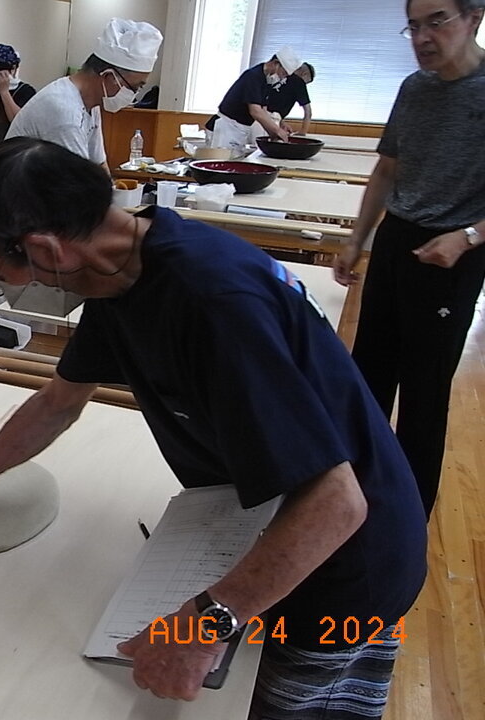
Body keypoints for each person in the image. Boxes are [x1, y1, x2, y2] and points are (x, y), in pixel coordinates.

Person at [0, 137, 427, 719]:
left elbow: (338, 504)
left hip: (348, 565)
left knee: (278, 704)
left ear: (45, 248)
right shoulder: (125, 270)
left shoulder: (212, 302)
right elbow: (57, 405)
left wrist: (206, 624)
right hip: (274, 525)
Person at [334, 0, 485, 520]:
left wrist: (466, 237)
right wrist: (358, 239)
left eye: (436, 21)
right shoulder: (413, 89)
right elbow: (386, 170)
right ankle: (353, 494)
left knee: (424, 390)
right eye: (414, 26)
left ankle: (409, 513)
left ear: (474, 18)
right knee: (368, 373)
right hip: (398, 240)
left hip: (453, 256)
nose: (422, 36)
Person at [5, 17, 163, 171]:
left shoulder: (91, 104)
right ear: (108, 77)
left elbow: (99, 164)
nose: (133, 95)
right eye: (133, 87)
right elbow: (79, 184)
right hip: (17, 194)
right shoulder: (65, 112)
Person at [208, 47, 302, 155]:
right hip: (226, 128)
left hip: (238, 130)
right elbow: (255, 111)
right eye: (283, 73)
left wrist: (279, 126)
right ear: (276, 63)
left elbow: (263, 111)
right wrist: (277, 131)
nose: (283, 78)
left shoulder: (266, 81)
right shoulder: (253, 76)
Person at [265, 62, 315, 136]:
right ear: (304, 74)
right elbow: (308, 112)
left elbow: (273, 103)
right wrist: (302, 132)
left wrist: (281, 122)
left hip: (261, 115)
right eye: (307, 82)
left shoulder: (280, 74)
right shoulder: (299, 82)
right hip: (270, 120)